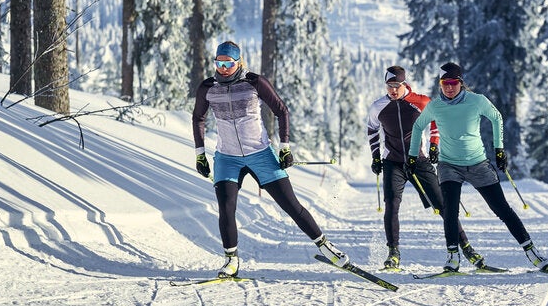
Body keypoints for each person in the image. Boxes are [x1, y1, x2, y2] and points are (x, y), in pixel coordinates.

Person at [191, 40, 350, 278]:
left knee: (290, 205)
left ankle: (326, 247)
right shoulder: (208, 87)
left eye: (228, 63)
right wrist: (200, 154)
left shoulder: (255, 82)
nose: (223, 68)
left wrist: (285, 147)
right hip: (227, 158)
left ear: (239, 62)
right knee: (226, 208)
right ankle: (231, 260)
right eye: (219, 62)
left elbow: (282, 111)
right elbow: (198, 118)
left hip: (260, 154)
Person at [406, 62, 548, 272]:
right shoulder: (436, 106)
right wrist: (413, 156)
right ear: (440, 84)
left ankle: (532, 252)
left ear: (461, 83)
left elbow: (496, 117)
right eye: (445, 83)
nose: (449, 87)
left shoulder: (477, 101)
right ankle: (453, 256)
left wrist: (499, 149)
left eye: (453, 83)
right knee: (450, 211)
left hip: (477, 163)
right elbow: (419, 126)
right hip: (449, 166)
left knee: (502, 209)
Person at [366, 65, 485, 270]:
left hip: (419, 161)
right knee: (392, 205)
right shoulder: (379, 106)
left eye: (396, 85)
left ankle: (467, 248)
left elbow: (435, 123)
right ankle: (393, 253)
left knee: (443, 206)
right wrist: (376, 157)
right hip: (393, 162)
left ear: (404, 84)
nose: (393, 90)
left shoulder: (420, 102)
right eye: (389, 86)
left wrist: (433, 146)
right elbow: (372, 130)